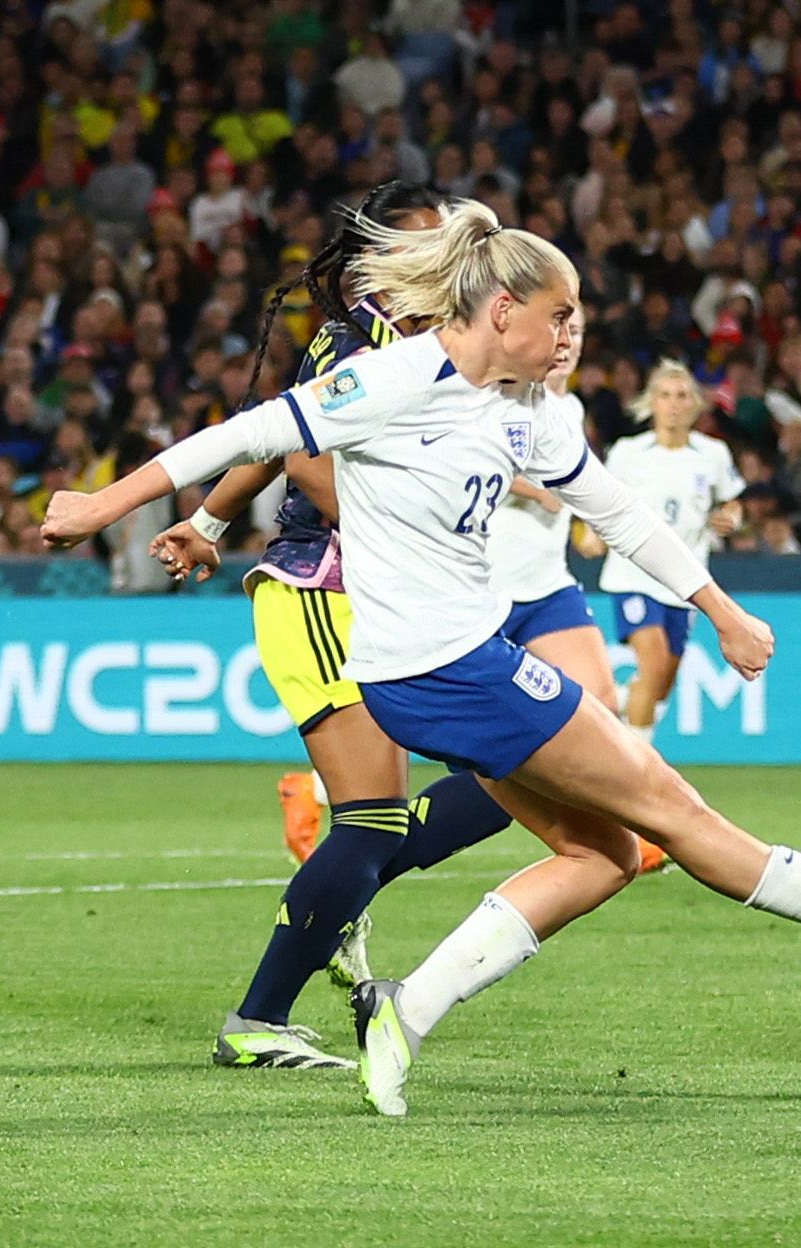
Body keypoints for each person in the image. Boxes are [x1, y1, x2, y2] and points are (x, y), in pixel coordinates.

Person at [44, 199, 801, 1116]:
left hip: (454, 664)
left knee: (605, 853)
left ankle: (407, 1008)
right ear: (500, 309)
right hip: (444, 669)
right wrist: (102, 508)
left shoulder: (531, 411)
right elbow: (252, 432)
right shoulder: (391, 380)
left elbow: (617, 512)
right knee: (666, 809)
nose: (569, 336)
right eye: (559, 316)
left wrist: (719, 607)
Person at [145, 182, 554, 1069]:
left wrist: (208, 524)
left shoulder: (436, 343)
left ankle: (332, 901)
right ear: (384, 256)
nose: (450, 253)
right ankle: (260, 1015)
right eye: (431, 240)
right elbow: (298, 453)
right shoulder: (359, 336)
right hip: (324, 591)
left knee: (502, 786)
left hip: (382, 599)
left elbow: (268, 441)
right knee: (373, 821)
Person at [484, 307, 668, 875]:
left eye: (577, 332)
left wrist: (579, 525)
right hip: (484, 587)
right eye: (558, 328)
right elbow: (469, 461)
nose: (566, 342)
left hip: (546, 584)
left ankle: (627, 832)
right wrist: (536, 492)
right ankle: (318, 793)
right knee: (461, 745)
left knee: (601, 703)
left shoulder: (570, 407)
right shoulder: (494, 394)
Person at [601, 360, 746, 743]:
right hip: (632, 574)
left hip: (685, 579)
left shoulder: (712, 454)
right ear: (651, 402)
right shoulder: (628, 453)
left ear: (696, 404)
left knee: (663, 680)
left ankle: (616, 707)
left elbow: (732, 503)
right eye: (665, 395)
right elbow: (600, 503)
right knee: (653, 662)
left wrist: (729, 518)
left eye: (682, 396)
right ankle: (636, 770)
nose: (674, 404)